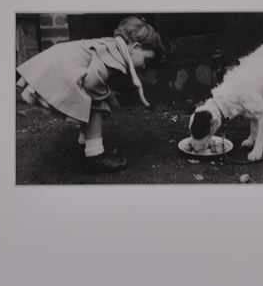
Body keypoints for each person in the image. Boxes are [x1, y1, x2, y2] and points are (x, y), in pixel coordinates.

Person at [16, 16, 165, 173]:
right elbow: (92, 82)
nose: (144, 66)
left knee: (92, 100)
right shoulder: (114, 57)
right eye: (146, 60)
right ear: (134, 47)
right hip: (59, 68)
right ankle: (95, 154)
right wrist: (104, 98)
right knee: (96, 105)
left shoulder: (113, 46)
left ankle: (87, 139)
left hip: (59, 60)